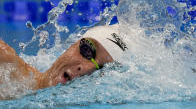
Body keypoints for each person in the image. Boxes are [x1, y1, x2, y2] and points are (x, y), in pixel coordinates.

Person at [0, 24, 128, 96]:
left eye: (101, 69)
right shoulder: (5, 64)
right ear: (71, 46)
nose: (85, 68)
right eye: (87, 51)